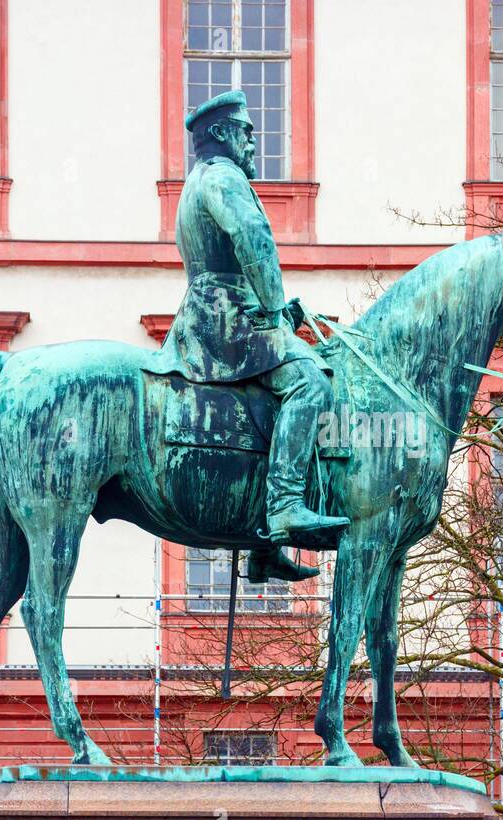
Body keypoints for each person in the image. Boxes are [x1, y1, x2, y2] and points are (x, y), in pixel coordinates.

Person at [164, 90, 349, 582]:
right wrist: (270, 309)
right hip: (229, 322)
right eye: (246, 129)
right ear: (221, 134)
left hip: (214, 312)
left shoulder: (198, 180)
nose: (254, 138)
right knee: (311, 383)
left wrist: (279, 308)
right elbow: (253, 240)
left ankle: (264, 547)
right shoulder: (224, 176)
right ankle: (286, 506)